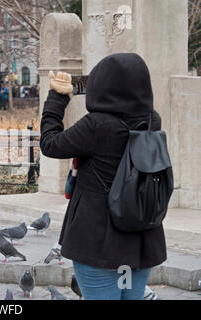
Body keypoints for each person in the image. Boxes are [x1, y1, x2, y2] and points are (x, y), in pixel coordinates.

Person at [40, 53, 166, 300]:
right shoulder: (153, 120)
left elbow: (50, 144)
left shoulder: (97, 126)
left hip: (98, 243)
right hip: (140, 242)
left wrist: (57, 98)